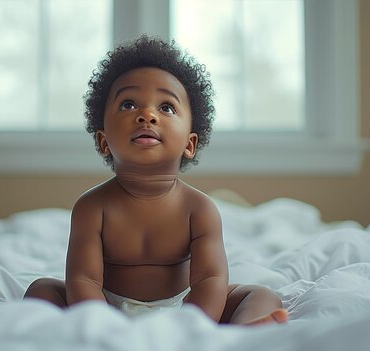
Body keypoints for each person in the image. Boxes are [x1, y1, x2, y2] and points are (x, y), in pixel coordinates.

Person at [24, 35, 288, 325]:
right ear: (103, 141)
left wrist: (192, 325)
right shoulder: (92, 207)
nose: (146, 115)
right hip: (105, 307)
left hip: (186, 306)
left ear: (189, 144)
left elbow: (210, 279)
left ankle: (246, 333)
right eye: (128, 105)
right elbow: (83, 279)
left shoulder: (199, 209)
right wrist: (100, 322)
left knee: (259, 295)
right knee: (42, 290)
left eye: (166, 107)